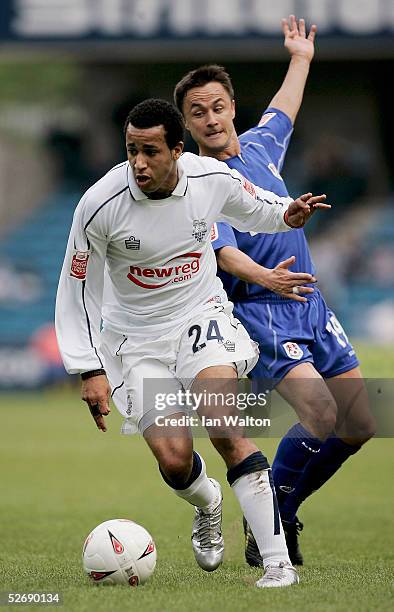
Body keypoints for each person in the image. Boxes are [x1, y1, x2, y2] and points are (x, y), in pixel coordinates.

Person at [55, 98, 329, 589]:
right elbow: (75, 288)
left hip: (200, 319)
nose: (139, 163)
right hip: (135, 342)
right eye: (132, 150)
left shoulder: (209, 180)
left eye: (151, 151)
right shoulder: (99, 204)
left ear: (177, 150)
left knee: (222, 423)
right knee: (175, 459)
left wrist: (288, 215)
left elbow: (254, 206)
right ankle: (208, 503)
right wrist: (88, 368)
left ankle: (276, 561)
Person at [174, 15, 375, 567]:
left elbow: (284, 108)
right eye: (198, 113)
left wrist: (301, 57)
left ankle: (282, 506)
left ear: (231, 108)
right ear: (188, 126)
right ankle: (273, 524)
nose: (210, 118)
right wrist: (268, 278)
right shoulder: (197, 182)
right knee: (321, 415)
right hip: (261, 312)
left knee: (359, 425)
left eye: (217, 106)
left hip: (309, 303)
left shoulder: (262, 147)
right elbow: (223, 252)